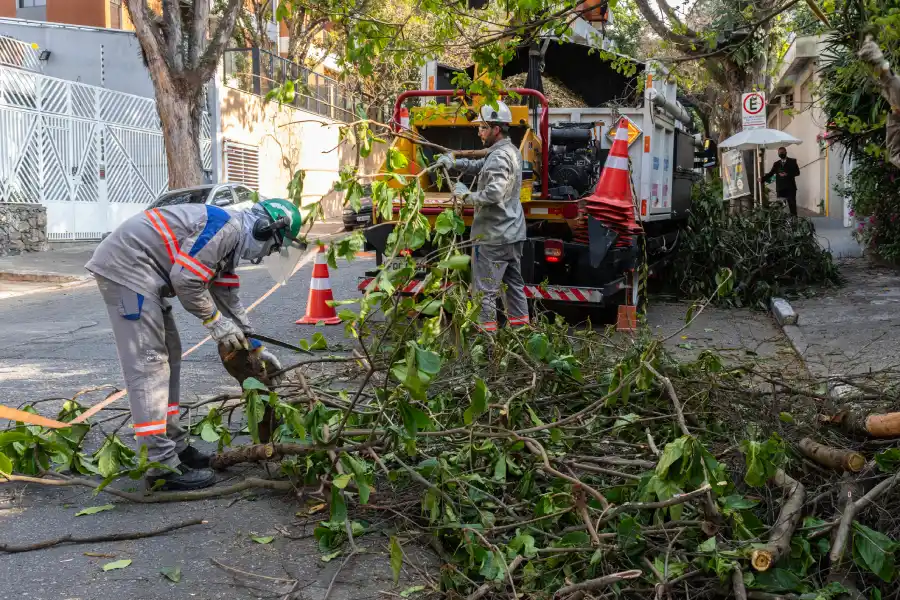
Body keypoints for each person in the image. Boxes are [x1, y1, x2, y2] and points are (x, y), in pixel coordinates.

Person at [85, 199, 305, 491]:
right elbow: (186, 279)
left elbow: (229, 302)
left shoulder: (230, 246)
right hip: (127, 271)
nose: (269, 254)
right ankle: (160, 465)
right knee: (149, 366)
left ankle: (174, 445)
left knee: (171, 354)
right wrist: (213, 321)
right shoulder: (226, 229)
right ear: (265, 229)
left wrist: (257, 347)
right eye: (275, 247)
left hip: (143, 274)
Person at [435, 101, 529, 332]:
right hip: (512, 234)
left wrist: (467, 196)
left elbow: (495, 192)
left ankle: (485, 346)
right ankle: (522, 333)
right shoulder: (510, 151)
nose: (479, 131)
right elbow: (481, 166)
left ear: (496, 129)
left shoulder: (498, 156)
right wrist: (455, 163)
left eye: (483, 127)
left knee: (485, 293)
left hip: (493, 237)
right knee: (515, 287)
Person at [765, 146, 801, 216]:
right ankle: (782, 224)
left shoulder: (792, 161)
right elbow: (770, 174)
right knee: (780, 207)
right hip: (780, 188)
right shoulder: (776, 164)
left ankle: (794, 222)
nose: (781, 154)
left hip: (790, 188)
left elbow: (797, 172)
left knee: (792, 206)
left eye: (782, 152)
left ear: (786, 152)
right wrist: (762, 179)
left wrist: (787, 174)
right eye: (779, 153)